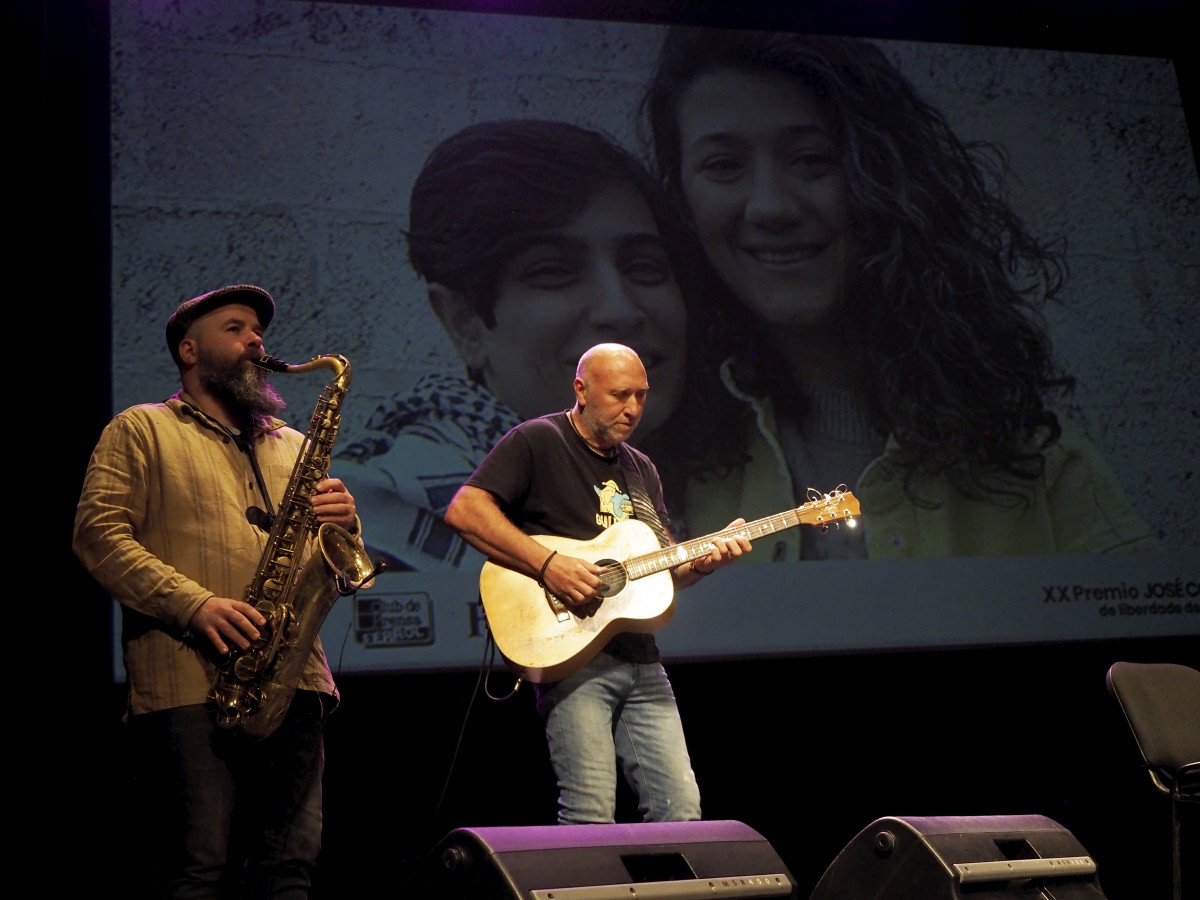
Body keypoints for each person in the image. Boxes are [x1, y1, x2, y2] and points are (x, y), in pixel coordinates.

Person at [640, 27, 1158, 558]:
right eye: (724, 165)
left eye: (811, 159)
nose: (772, 207)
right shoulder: (648, 468)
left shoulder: (1037, 462)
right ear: (680, 198)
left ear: (883, 175)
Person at [332, 119, 735, 574]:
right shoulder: (384, 517)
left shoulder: (702, 478)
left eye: (644, 266)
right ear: (464, 323)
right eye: (553, 271)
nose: (620, 310)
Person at [73, 284, 364, 897]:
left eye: (258, 331)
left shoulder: (296, 446)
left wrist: (344, 525)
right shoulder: (141, 430)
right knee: (198, 869)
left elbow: (336, 563)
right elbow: (97, 535)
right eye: (235, 328)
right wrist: (193, 603)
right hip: (188, 684)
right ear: (189, 349)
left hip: (294, 684)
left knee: (290, 872)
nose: (256, 340)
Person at [442, 343, 751, 824]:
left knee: (682, 810)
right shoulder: (537, 440)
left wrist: (707, 561)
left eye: (642, 396)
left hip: (642, 661)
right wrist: (549, 565)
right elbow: (465, 510)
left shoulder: (640, 468)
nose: (633, 408)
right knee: (589, 813)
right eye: (620, 395)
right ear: (581, 390)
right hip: (570, 658)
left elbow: (665, 568)